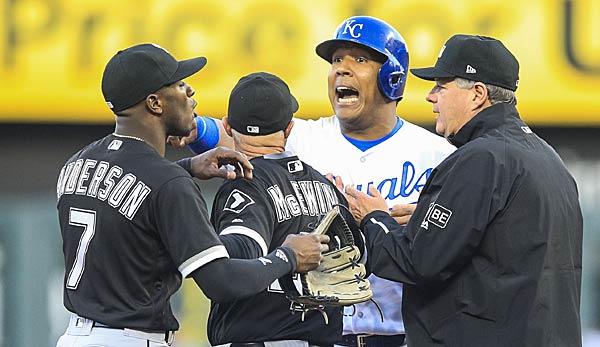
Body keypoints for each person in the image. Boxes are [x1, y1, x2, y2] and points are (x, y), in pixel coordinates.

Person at [169, 16, 455, 347]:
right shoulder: (300, 137)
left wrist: (431, 217)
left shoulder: (438, 154)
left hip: (400, 333)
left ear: (393, 77)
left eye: (359, 59)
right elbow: (236, 132)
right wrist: (193, 128)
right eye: (336, 61)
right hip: (318, 333)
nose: (341, 70)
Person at [55, 44, 330, 347]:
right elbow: (221, 281)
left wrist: (187, 166)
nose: (190, 92)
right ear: (155, 103)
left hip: (75, 336)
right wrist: (288, 256)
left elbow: (131, 193)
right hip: (131, 338)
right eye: (179, 84)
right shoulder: (168, 182)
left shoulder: (78, 163)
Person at [343, 34, 583, 346]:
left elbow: (415, 262)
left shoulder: (481, 158)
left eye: (441, 86)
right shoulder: (546, 156)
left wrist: (374, 218)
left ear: (477, 94)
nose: (431, 96)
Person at [207, 71, 357, 347]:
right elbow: (361, 263)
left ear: (227, 127)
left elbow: (235, 260)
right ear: (289, 128)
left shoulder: (244, 185)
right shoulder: (327, 189)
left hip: (258, 337)